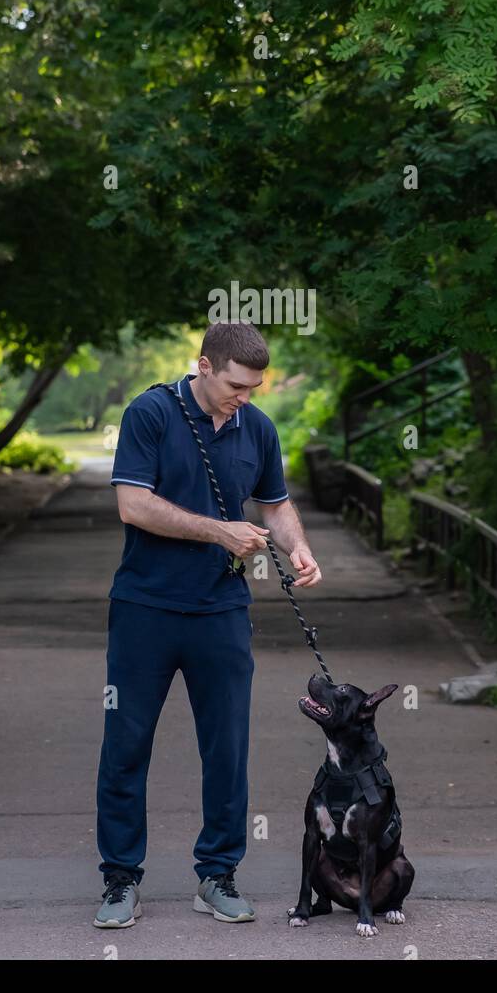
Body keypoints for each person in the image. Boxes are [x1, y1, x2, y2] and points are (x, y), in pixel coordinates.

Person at [94, 320, 322, 928]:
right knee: (126, 745)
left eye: (253, 388)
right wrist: (219, 530)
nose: (243, 397)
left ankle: (217, 874)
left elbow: (274, 502)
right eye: (235, 385)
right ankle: (120, 880)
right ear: (203, 366)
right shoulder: (151, 414)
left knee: (227, 747)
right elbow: (133, 504)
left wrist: (297, 545)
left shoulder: (259, 427)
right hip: (145, 606)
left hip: (221, 610)